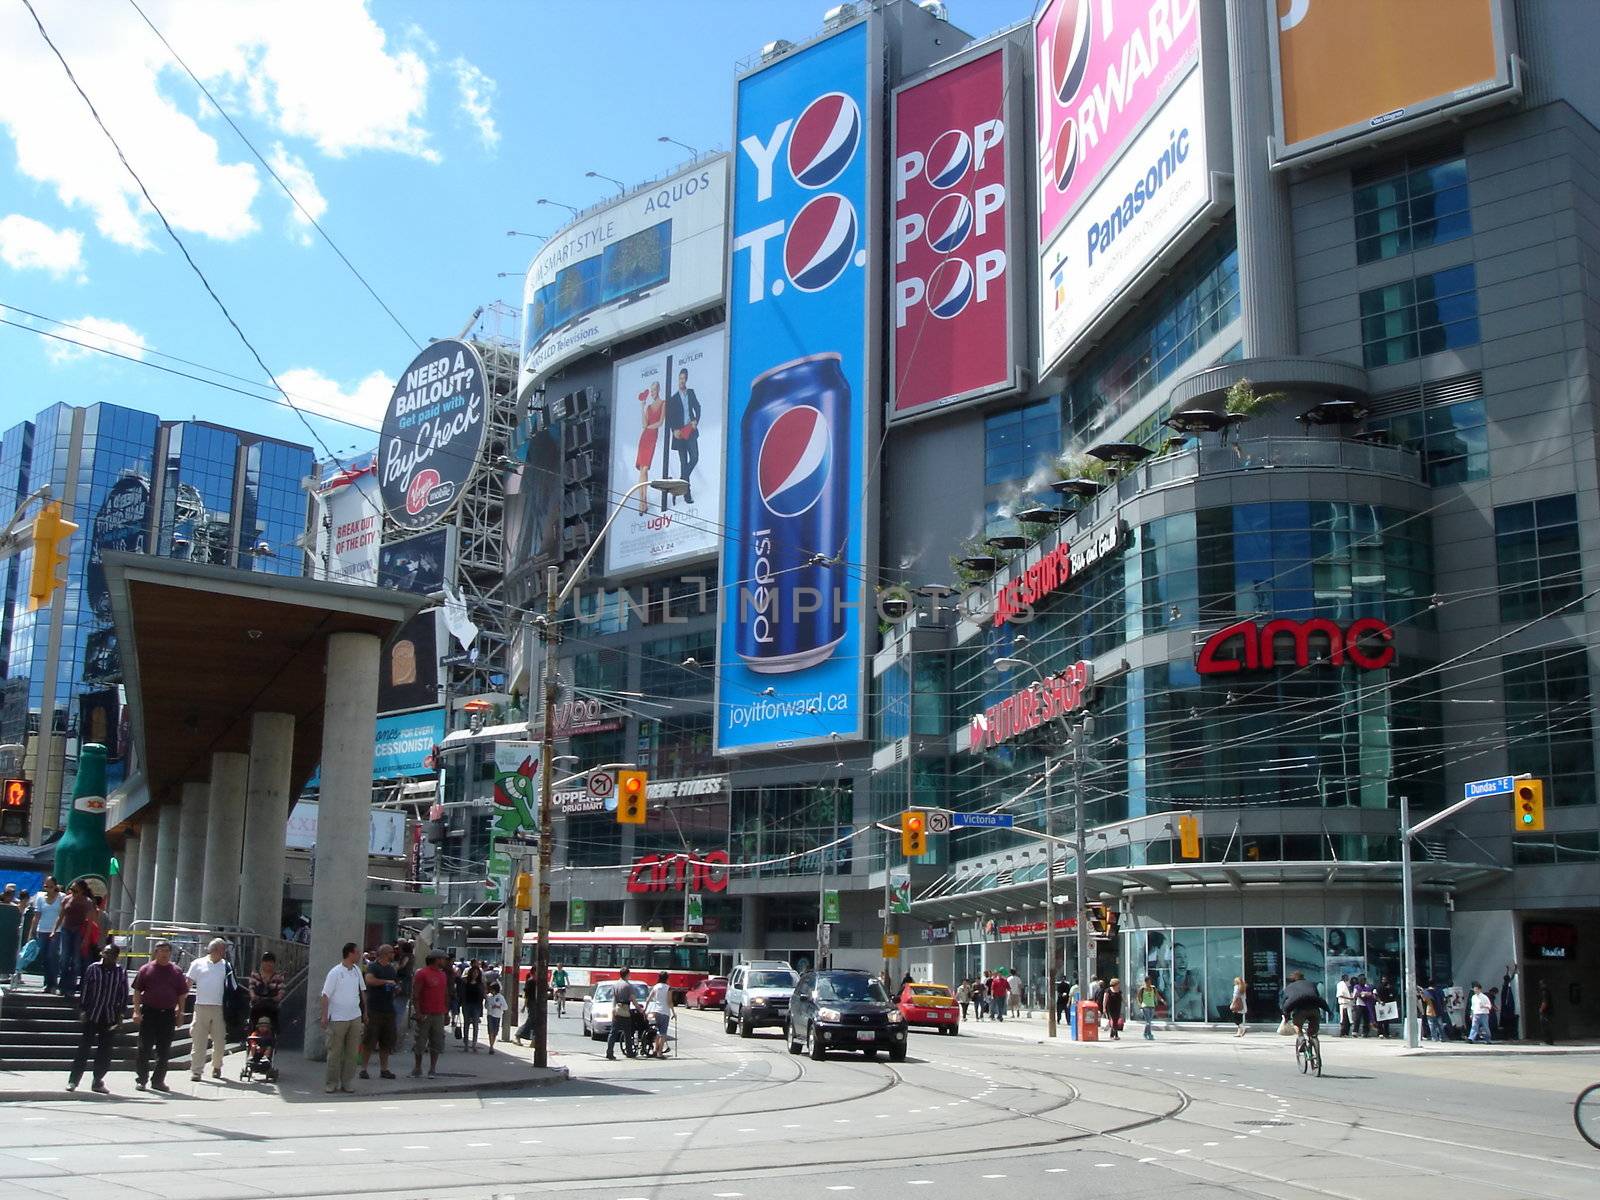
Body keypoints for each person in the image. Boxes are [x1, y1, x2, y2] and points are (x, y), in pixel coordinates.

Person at [68, 942, 128, 1094]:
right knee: (84, 1049)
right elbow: (85, 990)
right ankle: (73, 1081)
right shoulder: (93, 968)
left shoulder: (121, 972)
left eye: (113, 954)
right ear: (102, 953)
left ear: (117, 956)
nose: (109, 956)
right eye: (107, 952)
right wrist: (82, 1009)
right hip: (92, 1014)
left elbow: (123, 993)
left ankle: (97, 1081)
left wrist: (121, 1014)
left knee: (105, 1051)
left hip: (109, 1016)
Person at [132, 940, 188, 1092]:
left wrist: (181, 1012)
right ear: (156, 952)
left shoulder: (176, 971)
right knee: (144, 1048)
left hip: (167, 1015)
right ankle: (141, 1080)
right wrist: (136, 1010)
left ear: (170, 953)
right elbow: (137, 991)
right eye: (161, 950)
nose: (164, 953)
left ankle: (158, 1081)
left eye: (167, 951)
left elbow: (182, 994)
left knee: (164, 1050)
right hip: (149, 1013)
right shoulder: (146, 969)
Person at [320, 942, 366, 1093]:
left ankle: (347, 1082)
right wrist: (324, 1016)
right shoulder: (335, 972)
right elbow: (325, 995)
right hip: (338, 1018)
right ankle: (331, 1083)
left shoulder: (357, 970)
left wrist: (365, 1012)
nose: (359, 955)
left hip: (355, 1016)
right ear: (350, 953)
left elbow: (362, 991)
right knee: (335, 1052)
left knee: (352, 1053)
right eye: (357, 953)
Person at [186, 938, 233, 1081]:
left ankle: (217, 1066)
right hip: (201, 1006)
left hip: (219, 1008)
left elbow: (232, 987)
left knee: (219, 1040)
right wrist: (180, 1004)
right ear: (213, 950)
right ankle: (196, 1071)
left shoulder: (227, 966)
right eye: (222, 950)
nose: (224, 952)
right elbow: (187, 983)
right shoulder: (197, 964)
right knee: (198, 1040)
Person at [360, 943, 400, 1080]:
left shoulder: (391, 969)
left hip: (388, 1009)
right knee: (369, 1040)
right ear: (384, 953)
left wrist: (395, 987)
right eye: (391, 952)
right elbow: (369, 980)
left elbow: (394, 982)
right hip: (374, 1009)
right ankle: (363, 1069)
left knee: (386, 1041)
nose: (393, 954)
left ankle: (384, 1069)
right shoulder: (373, 966)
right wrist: (385, 982)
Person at [664, 366, 701, 504]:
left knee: (695, 457)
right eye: (680, 378)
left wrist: (696, 420)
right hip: (679, 433)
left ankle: (681, 479)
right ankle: (687, 494)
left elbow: (698, 407)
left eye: (684, 379)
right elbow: (669, 418)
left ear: (686, 379)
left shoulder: (691, 393)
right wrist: (674, 430)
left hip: (690, 430)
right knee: (683, 462)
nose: (682, 381)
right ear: (678, 379)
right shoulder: (673, 398)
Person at [410, 952, 450, 1078]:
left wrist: (446, 1013)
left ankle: (432, 1068)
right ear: (436, 959)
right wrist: (418, 1012)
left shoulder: (443, 974)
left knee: (437, 1041)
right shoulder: (422, 973)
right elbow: (416, 994)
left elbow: (445, 994)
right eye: (443, 958)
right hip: (425, 1012)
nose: (445, 961)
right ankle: (418, 1067)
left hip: (439, 1013)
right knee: (420, 1041)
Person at [54, 880, 95, 998]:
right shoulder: (66, 899)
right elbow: (60, 916)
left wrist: (86, 939)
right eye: (71, 890)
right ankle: (62, 986)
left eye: (76, 890)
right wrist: (54, 930)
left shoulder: (88, 902)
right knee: (64, 958)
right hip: (66, 930)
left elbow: (90, 922)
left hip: (78, 931)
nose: (73, 892)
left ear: (82, 891)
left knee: (76, 961)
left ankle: (71, 988)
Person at [23, 877, 63, 991]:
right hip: (42, 930)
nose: (48, 889)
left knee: (52, 956)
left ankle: (54, 983)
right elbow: (37, 916)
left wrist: (55, 929)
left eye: (51, 887)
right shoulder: (40, 897)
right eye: (46, 886)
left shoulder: (61, 897)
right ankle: (47, 983)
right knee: (44, 956)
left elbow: (62, 914)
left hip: (56, 930)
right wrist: (32, 931)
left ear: (55, 886)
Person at [633, 381, 665, 513]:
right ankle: (642, 501)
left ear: (658, 390)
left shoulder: (663, 403)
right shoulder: (648, 407)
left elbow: (660, 422)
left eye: (654, 390)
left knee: (645, 469)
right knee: (642, 470)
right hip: (645, 438)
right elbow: (643, 424)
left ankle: (643, 501)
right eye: (651, 391)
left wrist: (649, 427)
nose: (652, 393)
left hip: (652, 437)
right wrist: (642, 406)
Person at [1279, 970, 1333, 1042]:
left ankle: (1301, 1037)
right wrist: (1329, 1011)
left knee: (1297, 1024)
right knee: (1314, 1025)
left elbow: (1284, 1003)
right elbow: (1319, 999)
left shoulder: (1289, 987)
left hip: (1299, 1010)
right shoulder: (1311, 984)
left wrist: (1285, 1015)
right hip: (1314, 1009)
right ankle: (1313, 1038)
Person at [248, 951, 285, 1033]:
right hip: (257, 1002)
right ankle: (252, 1034)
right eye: (266, 961)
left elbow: (281, 990)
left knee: (274, 1015)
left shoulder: (279, 976)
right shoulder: (255, 974)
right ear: (262, 962)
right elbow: (251, 988)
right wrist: (253, 996)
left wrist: (277, 997)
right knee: (254, 1014)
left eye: (271, 962)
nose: (268, 964)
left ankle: (274, 1034)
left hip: (272, 1003)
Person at [607, 967, 637, 1060]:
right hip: (625, 1010)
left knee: (613, 1032)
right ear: (627, 974)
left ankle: (609, 1052)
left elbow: (614, 998)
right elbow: (633, 999)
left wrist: (613, 1009)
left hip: (617, 1009)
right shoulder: (628, 986)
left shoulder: (615, 985)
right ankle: (629, 1052)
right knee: (627, 1033)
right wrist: (640, 1009)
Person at [459, 961, 486, 1052]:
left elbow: (483, 995)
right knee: (466, 1024)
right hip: (466, 1004)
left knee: (475, 1025)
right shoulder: (465, 982)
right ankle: (466, 1044)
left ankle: (474, 1044)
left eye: (477, 973)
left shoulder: (480, 984)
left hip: (476, 1006)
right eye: (474, 973)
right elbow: (461, 994)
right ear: (470, 973)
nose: (475, 974)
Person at [647, 970, 673, 1058]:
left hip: (656, 1011)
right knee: (663, 1033)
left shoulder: (656, 987)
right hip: (665, 1012)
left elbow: (649, 999)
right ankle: (660, 1052)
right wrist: (673, 1012)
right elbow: (669, 1002)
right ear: (667, 978)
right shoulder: (668, 988)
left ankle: (655, 1049)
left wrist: (645, 1009)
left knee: (658, 1031)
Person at [515, 968, 539, 1044]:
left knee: (535, 1021)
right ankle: (519, 1034)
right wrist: (524, 1006)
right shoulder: (530, 981)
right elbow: (527, 995)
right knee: (531, 1020)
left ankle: (533, 1040)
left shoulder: (538, 981)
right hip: (531, 1002)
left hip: (536, 1003)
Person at [1138, 975, 1165, 1040]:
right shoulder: (1142, 989)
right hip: (1145, 1006)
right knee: (1148, 1021)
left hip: (1152, 1006)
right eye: (1148, 982)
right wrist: (1140, 1005)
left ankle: (1145, 1033)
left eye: (1150, 981)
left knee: (1149, 1021)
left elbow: (1157, 995)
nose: (1149, 983)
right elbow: (1138, 997)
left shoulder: (1153, 988)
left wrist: (1162, 1000)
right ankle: (1149, 1034)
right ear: (1145, 982)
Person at [485, 982, 508, 1053]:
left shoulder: (500, 997)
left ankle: (492, 1044)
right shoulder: (489, 996)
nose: (491, 991)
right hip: (490, 1015)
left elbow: (505, 1007)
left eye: (492, 990)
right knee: (490, 1031)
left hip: (497, 1016)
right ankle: (491, 1046)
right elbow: (486, 1006)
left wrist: (498, 1006)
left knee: (495, 1032)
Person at [1538, 981, 1555, 1045]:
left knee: (1545, 1027)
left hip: (1546, 1012)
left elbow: (1544, 1002)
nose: (1540, 986)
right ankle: (1549, 1041)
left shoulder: (1544, 992)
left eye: (1541, 984)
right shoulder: (1547, 991)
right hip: (1549, 1012)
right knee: (1547, 1027)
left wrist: (1541, 1010)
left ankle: (1547, 1041)